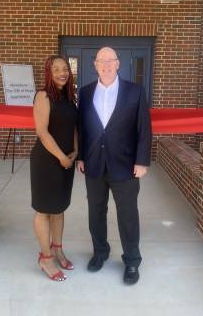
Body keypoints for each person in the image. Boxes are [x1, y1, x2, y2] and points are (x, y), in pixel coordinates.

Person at [77, 46, 152, 285]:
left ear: (119, 64)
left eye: (111, 61)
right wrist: (80, 156)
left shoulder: (135, 91)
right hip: (94, 165)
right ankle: (100, 253)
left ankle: (132, 260)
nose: (106, 65)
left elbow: (143, 129)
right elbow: (83, 128)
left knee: (128, 215)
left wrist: (142, 161)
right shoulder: (86, 92)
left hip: (127, 165)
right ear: (95, 65)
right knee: (96, 213)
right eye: (102, 61)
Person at [31, 55, 78, 281]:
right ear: (49, 73)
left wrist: (76, 151)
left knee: (59, 209)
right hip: (47, 161)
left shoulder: (69, 98)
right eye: (56, 69)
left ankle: (58, 249)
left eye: (65, 68)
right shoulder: (43, 96)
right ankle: (45, 257)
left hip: (66, 160)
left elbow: (74, 127)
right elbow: (42, 132)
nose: (62, 72)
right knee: (44, 210)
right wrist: (61, 157)